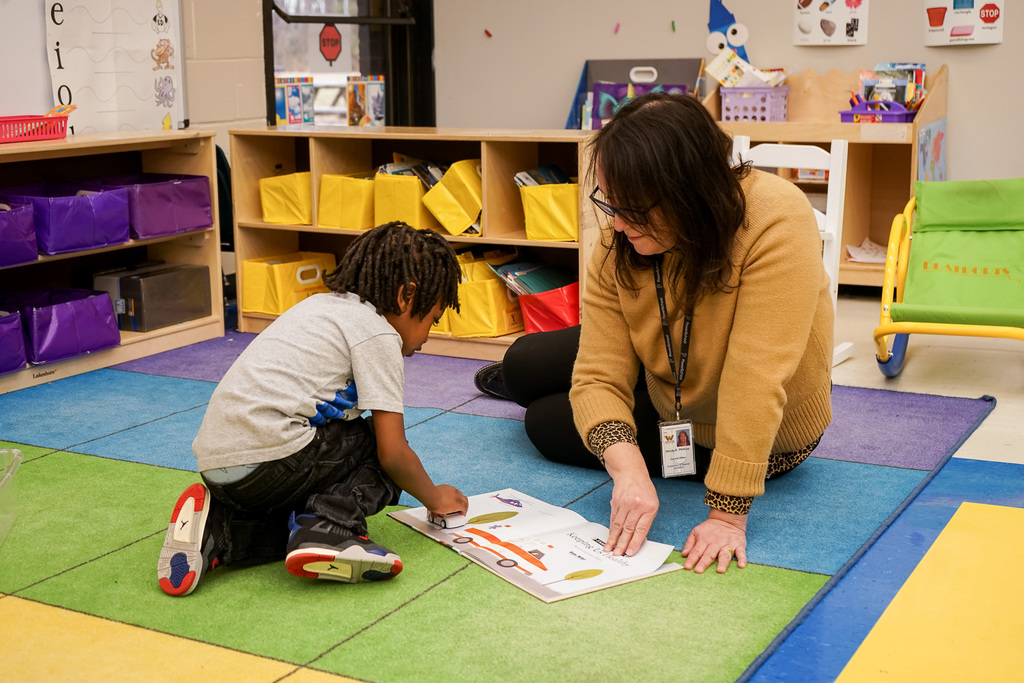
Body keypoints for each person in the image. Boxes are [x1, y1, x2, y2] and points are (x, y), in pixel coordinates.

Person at [475, 92, 833, 574]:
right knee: (522, 363)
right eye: (611, 204)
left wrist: (727, 515)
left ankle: (577, 393)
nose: (618, 225)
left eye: (635, 210)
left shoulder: (777, 217)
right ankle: (523, 379)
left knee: (544, 423)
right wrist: (628, 470)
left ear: (690, 192)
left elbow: (757, 378)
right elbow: (599, 368)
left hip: (760, 430)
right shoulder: (622, 232)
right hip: (669, 376)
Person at [158, 221, 469, 596]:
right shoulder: (378, 333)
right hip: (272, 456)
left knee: (294, 515)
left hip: (220, 469)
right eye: (432, 320)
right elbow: (394, 454)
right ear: (406, 296)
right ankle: (329, 527)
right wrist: (435, 498)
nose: (427, 337)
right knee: (376, 448)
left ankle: (221, 532)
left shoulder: (319, 306)